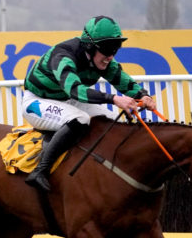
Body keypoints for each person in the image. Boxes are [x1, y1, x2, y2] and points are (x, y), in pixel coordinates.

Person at [22, 15, 156, 192]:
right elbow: (75, 90)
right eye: (107, 49)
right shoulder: (63, 55)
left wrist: (143, 96)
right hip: (37, 102)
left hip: (68, 100)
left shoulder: (102, 59)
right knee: (80, 119)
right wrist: (114, 99)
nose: (110, 56)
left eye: (115, 49)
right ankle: (40, 171)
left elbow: (125, 82)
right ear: (89, 46)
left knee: (115, 121)